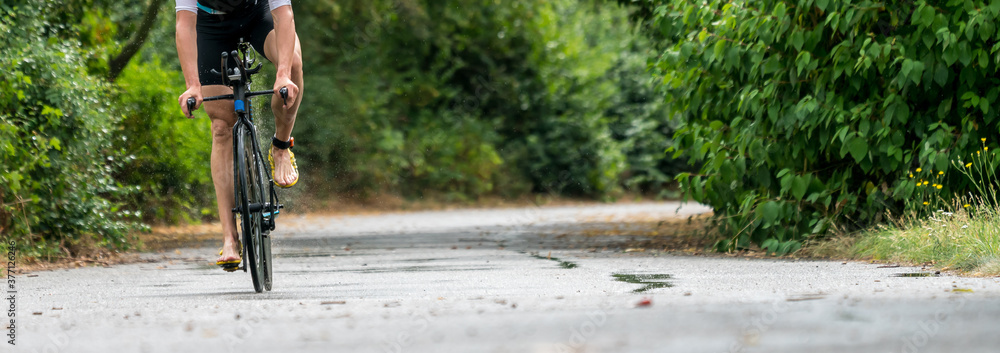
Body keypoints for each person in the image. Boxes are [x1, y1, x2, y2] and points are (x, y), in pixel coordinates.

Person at [174, 0, 303, 270]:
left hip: (257, 16)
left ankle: (280, 147)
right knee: (221, 127)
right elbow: (185, 24)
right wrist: (192, 86)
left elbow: (284, 14)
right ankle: (229, 236)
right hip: (211, 26)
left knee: (293, 64)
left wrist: (282, 74)